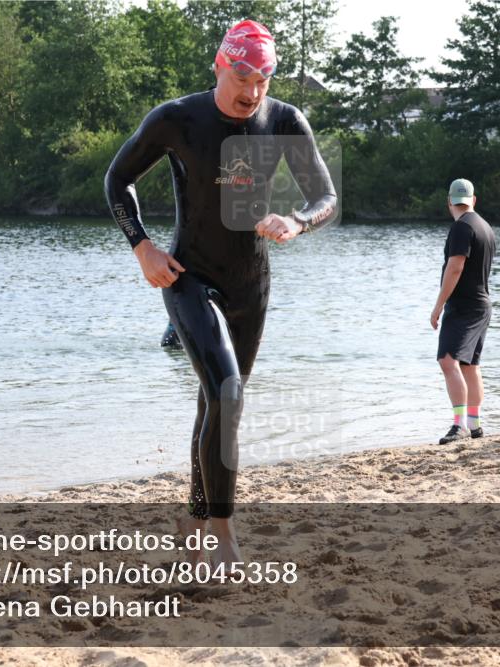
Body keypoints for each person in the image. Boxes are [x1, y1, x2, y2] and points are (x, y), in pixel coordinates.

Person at [104, 20, 337, 569]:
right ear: (219, 64)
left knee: (220, 402)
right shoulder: (177, 119)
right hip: (187, 276)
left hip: (250, 286)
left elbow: (324, 195)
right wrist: (143, 248)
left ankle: (194, 515)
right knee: (226, 392)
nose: (251, 90)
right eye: (242, 74)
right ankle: (223, 535)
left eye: (262, 78)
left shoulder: (284, 121)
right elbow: (117, 179)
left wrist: (299, 221)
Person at [430, 179, 496, 445]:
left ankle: (459, 426)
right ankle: (474, 424)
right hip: (481, 304)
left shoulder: (461, 227)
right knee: (470, 365)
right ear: (473, 200)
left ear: (449, 202)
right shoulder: (485, 227)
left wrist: (439, 304)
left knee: (448, 360)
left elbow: (455, 267)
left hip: (465, 306)